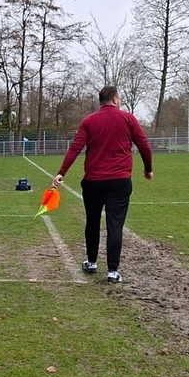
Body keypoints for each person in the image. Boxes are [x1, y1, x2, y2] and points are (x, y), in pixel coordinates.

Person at [52, 85, 154, 284]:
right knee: (115, 225)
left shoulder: (89, 121)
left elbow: (76, 148)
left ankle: (91, 262)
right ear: (115, 99)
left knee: (92, 221)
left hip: (93, 182)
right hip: (120, 181)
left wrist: (61, 173)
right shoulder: (128, 119)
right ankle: (113, 271)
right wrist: (148, 168)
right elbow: (144, 145)